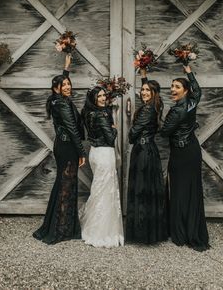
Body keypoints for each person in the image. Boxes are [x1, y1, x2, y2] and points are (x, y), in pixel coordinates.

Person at [33, 55, 86, 244]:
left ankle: (60, 224)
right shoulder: (62, 103)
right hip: (67, 147)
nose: (68, 87)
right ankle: (60, 228)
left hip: (63, 145)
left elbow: (62, 83)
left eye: (69, 84)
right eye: (64, 85)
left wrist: (66, 68)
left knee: (63, 184)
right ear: (56, 88)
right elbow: (72, 129)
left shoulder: (57, 100)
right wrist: (82, 152)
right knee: (66, 185)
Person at [160, 64, 210, 252]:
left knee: (180, 192)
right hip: (192, 150)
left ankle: (181, 231)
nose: (172, 89)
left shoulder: (177, 110)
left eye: (177, 87)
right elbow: (198, 90)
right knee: (191, 190)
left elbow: (165, 132)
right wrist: (189, 72)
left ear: (185, 91)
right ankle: (191, 227)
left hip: (181, 154)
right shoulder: (191, 102)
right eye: (172, 86)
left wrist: (159, 120)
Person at [126, 68, 168, 244]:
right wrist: (143, 75)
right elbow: (149, 89)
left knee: (141, 191)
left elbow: (132, 135)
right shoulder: (155, 105)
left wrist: (130, 125)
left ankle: (142, 233)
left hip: (142, 151)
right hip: (148, 149)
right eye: (142, 90)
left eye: (146, 91)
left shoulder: (146, 110)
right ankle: (150, 231)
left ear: (153, 93)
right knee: (148, 190)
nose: (143, 92)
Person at [81, 86, 124, 247]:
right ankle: (103, 232)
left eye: (104, 95)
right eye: (99, 96)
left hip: (94, 152)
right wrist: (114, 129)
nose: (103, 98)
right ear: (93, 98)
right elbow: (110, 136)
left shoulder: (87, 112)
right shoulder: (102, 114)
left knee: (99, 189)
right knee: (106, 191)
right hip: (105, 153)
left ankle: (92, 228)